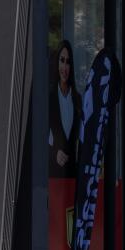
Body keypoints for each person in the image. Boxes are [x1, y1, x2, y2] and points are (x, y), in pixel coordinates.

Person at [48, 40, 82, 178]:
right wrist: (55, 153)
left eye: (68, 62)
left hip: (73, 174)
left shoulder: (77, 99)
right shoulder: (49, 98)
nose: (65, 66)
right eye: (62, 60)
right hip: (53, 174)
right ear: (57, 63)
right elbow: (41, 137)